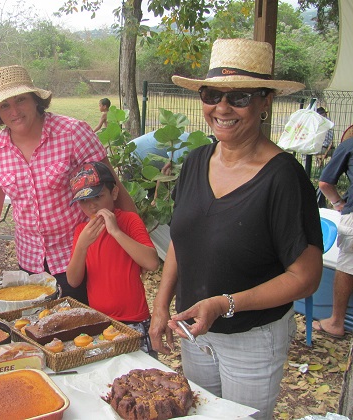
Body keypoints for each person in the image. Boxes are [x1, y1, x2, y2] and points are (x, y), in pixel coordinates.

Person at [148, 38, 323, 420]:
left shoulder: (284, 178)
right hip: (195, 331)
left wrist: (224, 304)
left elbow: (306, 277)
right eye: (212, 94)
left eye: (239, 96)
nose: (222, 108)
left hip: (252, 338)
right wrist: (161, 306)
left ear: (264, 102)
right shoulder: (196, 161)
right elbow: (182, 239)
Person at [0, 65, 137, 305]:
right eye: (5, 105)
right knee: (37, 330)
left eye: (21, 100)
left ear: (35, 100)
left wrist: (135, 241)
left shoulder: (72, 133)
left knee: (84, 332)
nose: (14, 111)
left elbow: (113, 186)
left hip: (82, 256)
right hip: (30, 262)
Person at [66, 161, 159, 355]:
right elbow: (73, 280)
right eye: (83, 201)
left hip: (134, 320)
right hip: (100, 323)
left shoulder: (129, 220)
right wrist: (82, 245)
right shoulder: (82, 232)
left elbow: (151, 262)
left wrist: (116, 232)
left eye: (98, 196)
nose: (92, 206)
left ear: (114, 193)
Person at [313, 135, 353, 339]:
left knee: (347, 265)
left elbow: (325, 183)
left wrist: (337, 203)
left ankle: (336, 321)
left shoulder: (349, 144)